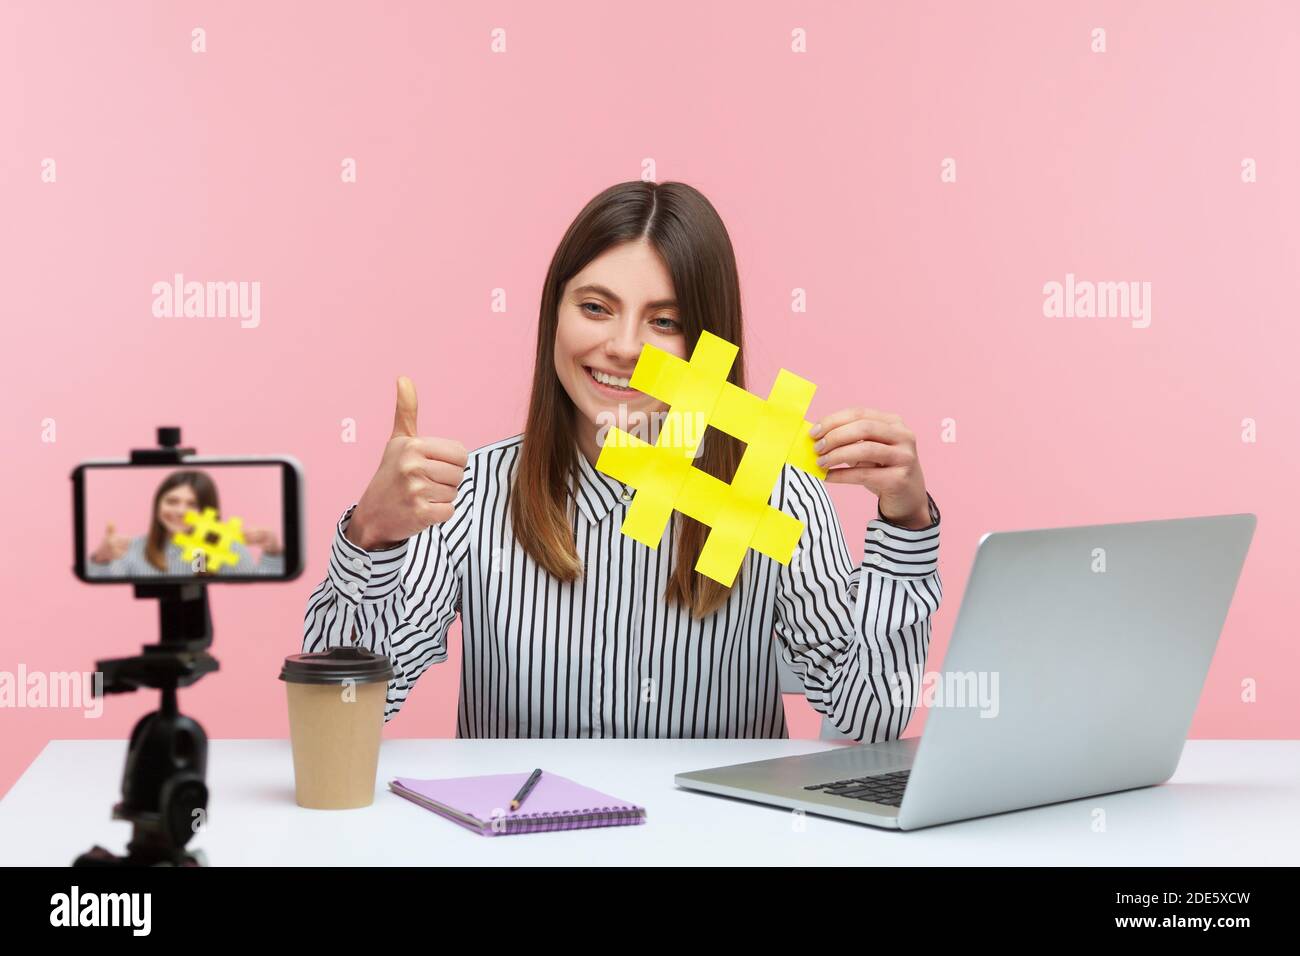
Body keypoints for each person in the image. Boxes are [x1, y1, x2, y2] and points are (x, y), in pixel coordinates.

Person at [302, 180, 942, 740]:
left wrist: (906, 526)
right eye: (595, 308)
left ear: (708, 344)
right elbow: (348, 703)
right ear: (554, 316)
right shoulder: (470, 496)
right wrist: (371, 538)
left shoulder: (773, 494)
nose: (625, 347)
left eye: (665, 322)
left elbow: (869, 717)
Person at [87, 469, 284, 577]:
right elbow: (103, 581)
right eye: (172, 501)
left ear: (208, 511)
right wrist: (101, 557)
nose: (181, 511)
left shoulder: (227, 549)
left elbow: (259, 582)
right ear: (157, 504)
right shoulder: (133, 549)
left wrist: (273, 552)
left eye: (192, 504)